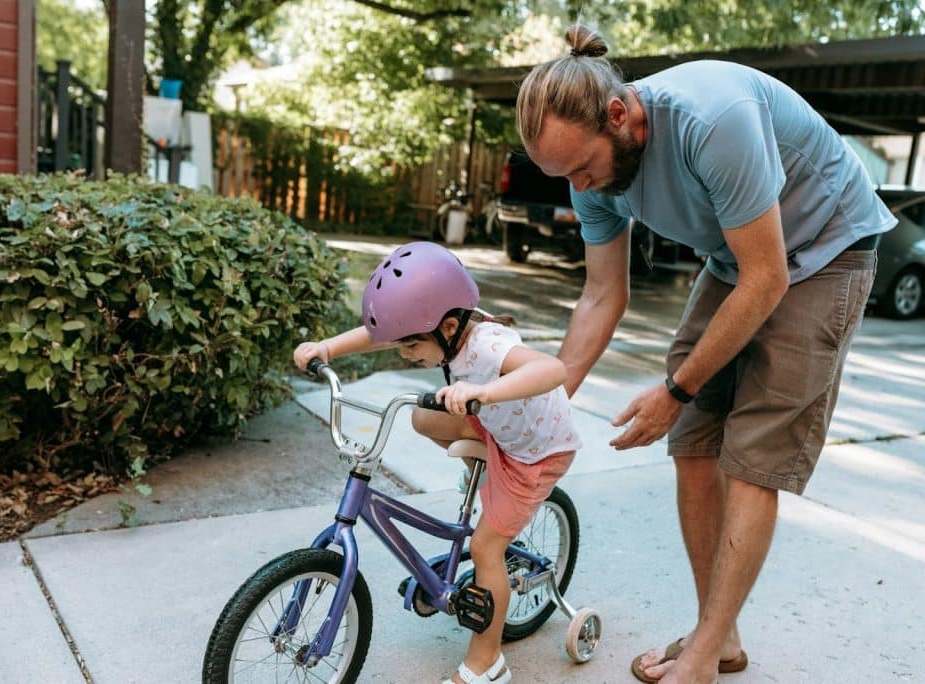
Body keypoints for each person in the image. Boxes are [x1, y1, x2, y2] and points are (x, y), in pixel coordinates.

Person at [516, 23, 894, 684]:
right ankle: (720, 637)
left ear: (619, 115)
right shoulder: (589, 173)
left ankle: (704, 653)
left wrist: (675, 389)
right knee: (693, 443)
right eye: (566, 176)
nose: (583, 189)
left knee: (753, 455)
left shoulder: (711, 118)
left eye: (583, 168)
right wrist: (543, 404)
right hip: (740, 257)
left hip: (826, 250)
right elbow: (602, 296)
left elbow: (769, 278)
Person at [294, 241, 581, 684]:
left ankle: (488, 664)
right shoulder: (450, 332)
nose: (405, 354)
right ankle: (484, 470)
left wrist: (483, 392)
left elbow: (552, 369)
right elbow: (380, 335)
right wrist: (328, 348)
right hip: (496, 425)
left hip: (535, 452)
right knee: (422, 414)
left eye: (411, 346)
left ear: (448, 326)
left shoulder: (488, 344)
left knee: (486, 548)